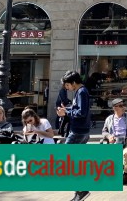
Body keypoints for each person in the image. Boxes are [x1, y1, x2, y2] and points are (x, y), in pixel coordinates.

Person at [56, 70, 91, 201]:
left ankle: (81, 189)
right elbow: (78, 110)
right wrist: (67, 110)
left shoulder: (82, 92)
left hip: (77, 131)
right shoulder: (80, 92)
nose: (67, 88)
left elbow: (81, 112)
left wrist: (66, 113)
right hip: (80, 131)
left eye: (67, 85)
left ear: (74, 82)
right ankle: (79, 191)